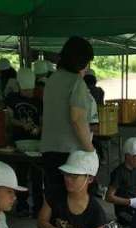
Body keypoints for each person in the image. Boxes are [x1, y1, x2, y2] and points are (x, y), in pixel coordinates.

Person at [40, 36, 95, 196]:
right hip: (69, 153)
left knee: (53, 197)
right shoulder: (76, 82)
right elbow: (77, 119)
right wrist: (90, 149)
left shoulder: (52, 79)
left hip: (48, 149)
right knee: (71, 199)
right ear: (80, 60)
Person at [5, 67, 44, 217]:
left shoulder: (38, 101)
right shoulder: (12, 99)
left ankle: (38, 207)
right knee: (21, 175)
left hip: (36, 142)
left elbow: (42, 120)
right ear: (19, 86)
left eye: (31, 90)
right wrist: (21, 124)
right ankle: (22, 205)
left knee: (37, 176)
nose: (29, 92)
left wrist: (39, 128)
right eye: (26, 90)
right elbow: (9, 119)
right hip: (20, 141)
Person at [105, 137, 136, 228]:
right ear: (128, 156)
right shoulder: (118, 172)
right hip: (123, 211)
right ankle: (118, 227)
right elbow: (109, 197)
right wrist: (130, 202)